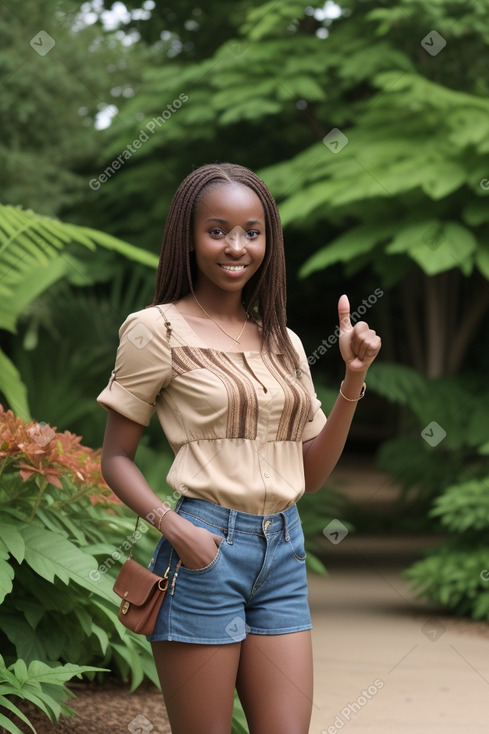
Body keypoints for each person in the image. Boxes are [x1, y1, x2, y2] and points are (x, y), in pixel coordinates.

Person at [97, 162, 381, 734]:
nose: (236, 246)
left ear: (268, 242)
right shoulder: (158, 330)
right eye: (218, 229)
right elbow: (115, 459)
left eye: (252, 232)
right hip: (203, 549)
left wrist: (353, 380)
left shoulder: (286, 342)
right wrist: (175, 529)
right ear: (189, 236)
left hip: (284, 549)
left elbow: (311, 473)